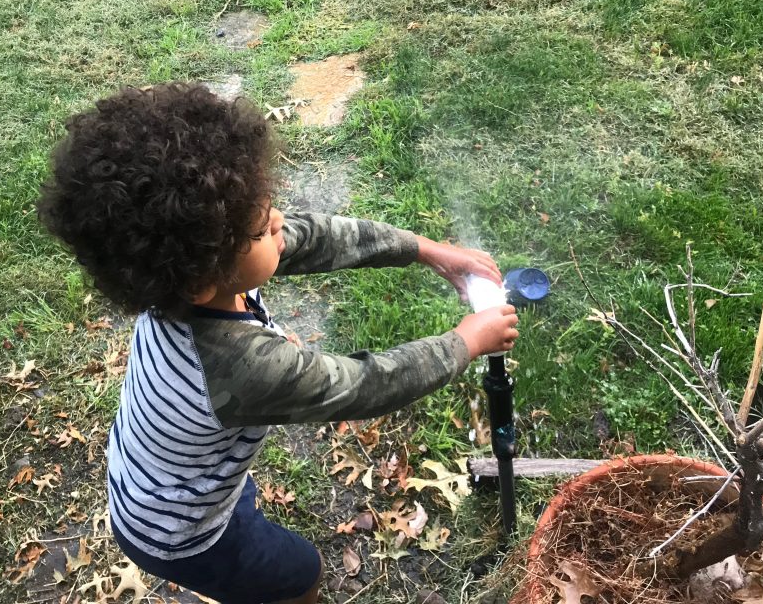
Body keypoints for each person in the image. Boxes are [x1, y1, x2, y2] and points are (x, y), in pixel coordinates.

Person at [37, 81, 519, 604]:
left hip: (152, 478)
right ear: (205, 273)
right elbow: (363, 386)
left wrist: (427, 250)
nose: (280, 222)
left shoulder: (190, 276)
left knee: (243, 508)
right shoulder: (240, 367)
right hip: (181, 533)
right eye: (263, 228)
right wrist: (467, 341)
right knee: (301, 573)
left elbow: (314, 237)